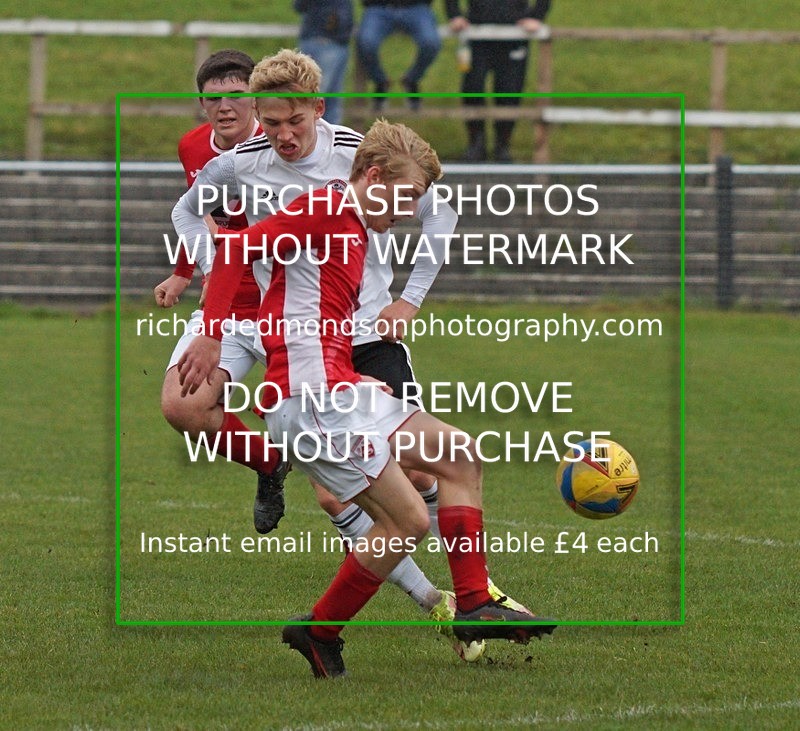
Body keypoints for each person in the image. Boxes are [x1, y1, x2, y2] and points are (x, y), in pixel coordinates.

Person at [177, 118, 557, 678]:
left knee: (460, 456)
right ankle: (324, 630)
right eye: (404, 197)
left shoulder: (352, 219)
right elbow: (236, 251)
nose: (407, 213)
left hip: (340, 390)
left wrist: (359, 369)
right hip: (310, 401)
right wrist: (211, 333)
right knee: (406, 523)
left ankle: (472, 602)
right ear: (373, 175)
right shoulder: (326, 209)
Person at [154, 49, 290, 536]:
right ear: (201, 104)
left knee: (331, 448)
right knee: (183, 405)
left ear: (256, 101)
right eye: (214, 99)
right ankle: (270, 464)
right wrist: (186, 271)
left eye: (237, 96)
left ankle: (377, 543)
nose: (226, 108)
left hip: (292, 307)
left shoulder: (285, 142)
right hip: (228, 307)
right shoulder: (193, 147)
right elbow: (199, 213)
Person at [445, 0, 552, 162]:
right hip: (476, 33)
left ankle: (502, 145)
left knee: (510, 90)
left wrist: (537, 16)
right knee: (473, 86)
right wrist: (455, 15)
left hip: (515, 34)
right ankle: (476, 143)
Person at [356, 0, 442, 110]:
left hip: (417, 7)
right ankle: (381, 82)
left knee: (431, 43)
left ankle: (411, 80)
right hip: (378, 7)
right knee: (366, 42)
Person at [294, 0, 354, 126]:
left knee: (331, 102)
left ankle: (331, 142)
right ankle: (306, 140)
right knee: (313, 100)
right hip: (323, 40)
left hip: (338, 41)